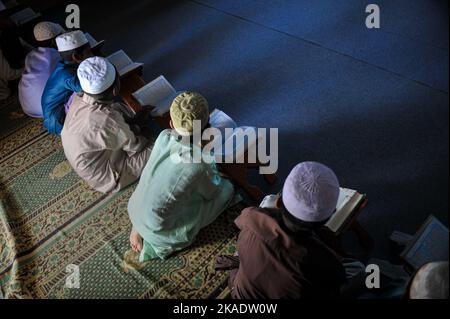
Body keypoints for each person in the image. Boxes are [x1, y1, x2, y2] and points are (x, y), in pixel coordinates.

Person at [127, 91, 236, 262]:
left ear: (171, 123)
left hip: (134, 208)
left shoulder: (164, 136)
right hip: (159, 230)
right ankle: (154, 242)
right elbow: (211, 193)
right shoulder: (199, 163)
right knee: (227, 190)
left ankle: (139, 228)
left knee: (166, 193)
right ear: (208, 127)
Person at [217, 162, 347, 299]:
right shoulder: (328, 263)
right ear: (328, 218)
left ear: (278, 202)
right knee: (357, 269)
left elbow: (239, 223)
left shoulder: (250, 217)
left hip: (242, 293)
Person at [61, 56, 152, 194]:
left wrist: (134, 123)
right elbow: (136, 148)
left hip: (91, 160)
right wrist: (143, 130)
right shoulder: (108, 119)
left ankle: (126, 132)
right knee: (161, 144)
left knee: (118, 108)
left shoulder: (78, 98)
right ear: (115, 89)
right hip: (110, 178)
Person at [41, 30, 93, 135]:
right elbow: (92, 92)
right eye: (89, 51)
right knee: (94, 94)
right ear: (77, 57)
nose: (92, 54)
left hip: (58, 113)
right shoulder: (68, 75)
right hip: (59, 121)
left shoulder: (65, 66)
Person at [18, 22, 64, 117]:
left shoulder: (30, 55)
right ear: (53, 41)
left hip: (28, 107)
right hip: (48, 108)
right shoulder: (57, 55)